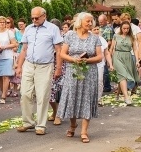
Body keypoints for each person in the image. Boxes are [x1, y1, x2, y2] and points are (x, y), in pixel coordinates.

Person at [15, 7, 63, 135]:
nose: (34, 20)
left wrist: (58, 68)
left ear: (44, 16)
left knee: (42, 95)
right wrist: (19, 66)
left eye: (37, 18)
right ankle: (28, 122)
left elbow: (58, 50)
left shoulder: (53, 29)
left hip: (45, 66)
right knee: (25, 93)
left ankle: (41, 125)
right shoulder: (29, 29)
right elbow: (24, 49)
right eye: (32, 18)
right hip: (29, 64)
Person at [57, 12, 103, 143]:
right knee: (73, 97)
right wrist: (73, 59)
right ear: (80, 22)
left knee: (86, 98)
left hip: (89, 72)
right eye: (87, 21)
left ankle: (84, 131)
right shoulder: (70, 35)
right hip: (73, 70)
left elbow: (100, 57)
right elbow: (62, 54)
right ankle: (72, 125)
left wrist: (87, 61)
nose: (90, 23)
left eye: (91, 21)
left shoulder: (95, 38)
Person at [109, 21, 141, 105]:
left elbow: (135, 49)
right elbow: (111, 49)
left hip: (128, 57)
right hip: (117, 56)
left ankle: (118, 94)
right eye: (124, 28)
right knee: (123, 75)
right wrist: (111, 62)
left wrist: (137, 60)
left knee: (122, 77)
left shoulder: (132, 37)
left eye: (127, 28)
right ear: (121, 28)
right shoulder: (116, 36)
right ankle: (126, 97)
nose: (126, 30)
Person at [0, 16, 18, 104]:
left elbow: (15, 44)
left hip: (7, 56)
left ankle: (3, 95)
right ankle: (4, 91)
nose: (2, 24)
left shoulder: (9, 32)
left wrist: (5, 47)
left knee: (6, 76)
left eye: (4, 22)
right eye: (0, 22)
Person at [98, 14, 115, 93]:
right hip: (99, 50)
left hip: (104, 50)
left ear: (105, 20)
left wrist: (103, 46)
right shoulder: (99, 28)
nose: (100, 23)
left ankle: (107, 86)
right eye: (99, 22)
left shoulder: (108, 29)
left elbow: (109, 41)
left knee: (105, 70)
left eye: (101, 22)